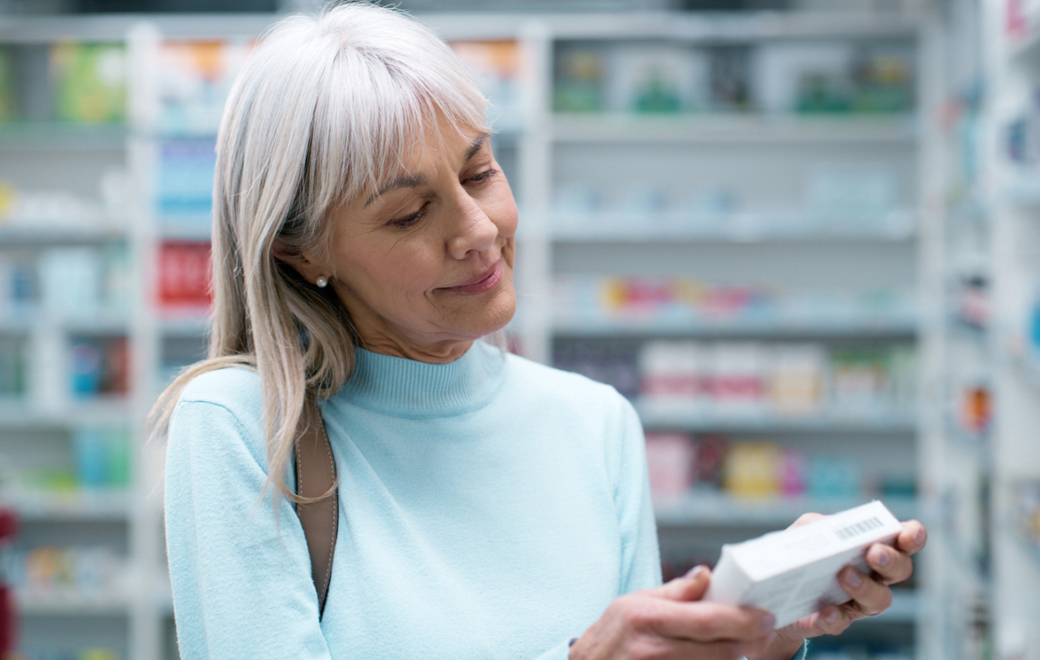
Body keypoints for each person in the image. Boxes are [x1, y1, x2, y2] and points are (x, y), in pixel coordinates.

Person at [152, 3, 928, 659]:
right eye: (410, 213)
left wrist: (753, 635)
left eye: (480, 172)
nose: (478, 230)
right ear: (301, 249)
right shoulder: (243, 428)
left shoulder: (595, 424)